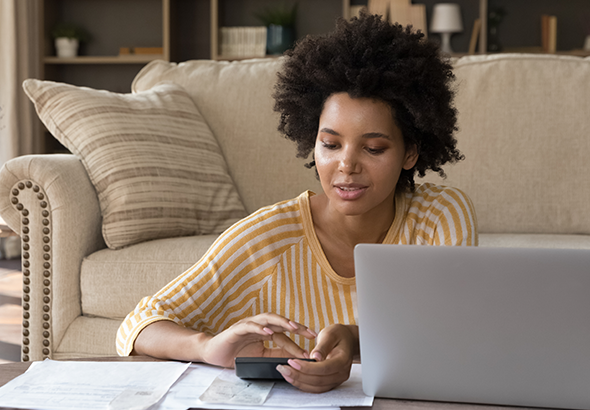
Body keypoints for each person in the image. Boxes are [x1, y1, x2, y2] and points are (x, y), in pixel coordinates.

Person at [116, 12, 477, 393]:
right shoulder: (269, 238)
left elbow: (457, 333)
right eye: (331, 144)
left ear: (410, 154)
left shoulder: (439, 215)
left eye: (373, 148)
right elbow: (139, 325)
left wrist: (355, 339)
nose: (347, 165)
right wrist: (207, 347)